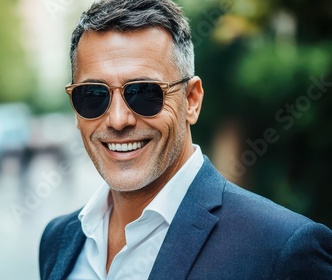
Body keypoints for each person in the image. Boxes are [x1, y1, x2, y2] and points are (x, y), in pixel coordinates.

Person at [38, 0, 332, 279]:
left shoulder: (282, 249)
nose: (117, 119)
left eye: (144, 93)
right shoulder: (58, 240)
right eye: (93, 95)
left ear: (191, 100)